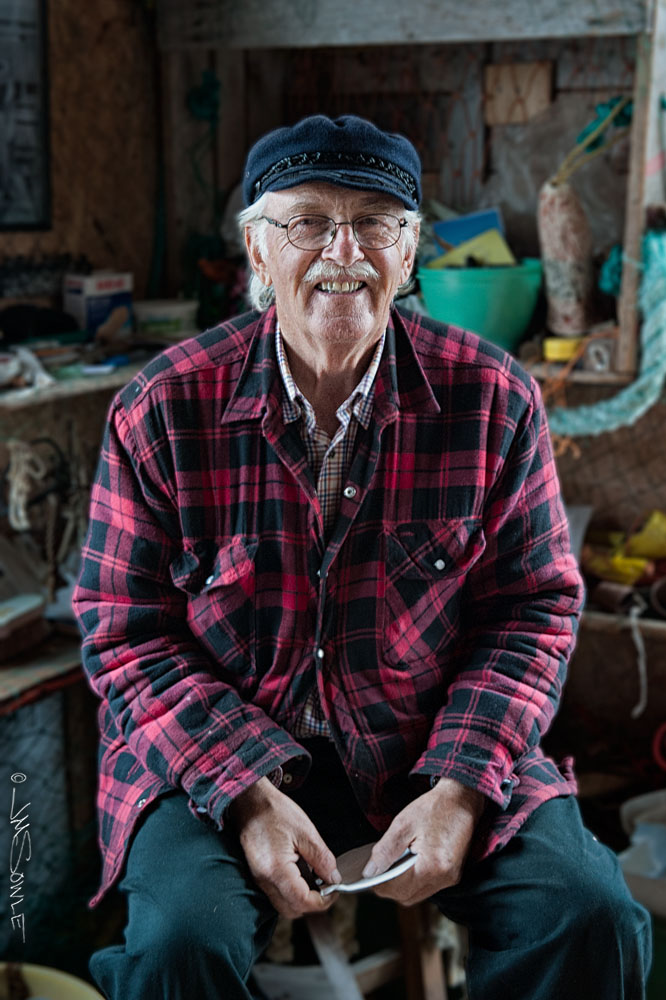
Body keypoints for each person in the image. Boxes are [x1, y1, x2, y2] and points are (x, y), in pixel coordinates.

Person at [73, 114, 651, 1000]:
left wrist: (461, 785)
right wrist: (247, 793)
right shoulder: (159, 408)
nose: (343, 248)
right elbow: (124, 635)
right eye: (307, 221)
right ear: (258, 257)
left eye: (376, 221)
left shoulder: (494, 399)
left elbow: (533, 609)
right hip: (221, 750)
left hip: (427, 740)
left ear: (410, 253)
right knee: (179, 946)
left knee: (589, 914)